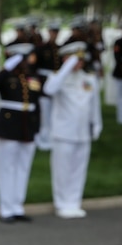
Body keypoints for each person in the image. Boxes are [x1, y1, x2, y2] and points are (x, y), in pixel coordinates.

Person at [0, 42, 46, 223]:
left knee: (23, 167)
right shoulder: (5, 76)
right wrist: (5, 68)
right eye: (25, 59)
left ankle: (18, 205)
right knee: (7, 167)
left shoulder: (34, 76)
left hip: (28, 125)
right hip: (9, 125)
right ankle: (6, 208)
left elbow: (41, 97)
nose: (28, 62)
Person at [44, 41, 103, 218]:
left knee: (79, 169)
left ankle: (74, 201)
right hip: (64, 132)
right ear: (66, 59)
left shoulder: (89, 79)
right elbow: (49, 90)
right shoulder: (58, 78)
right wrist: (65, 69)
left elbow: (94, 105)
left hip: (82, 132)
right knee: (62, 170)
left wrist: (97, 123)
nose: (79, 63)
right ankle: (62, 203)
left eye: (80, 59)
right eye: (74, 60)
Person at [33, 19, 63, 151]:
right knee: (44, 113)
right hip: (44, 83)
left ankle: (53, 137)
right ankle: (44, 139)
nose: (54, 34)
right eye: (52, 32)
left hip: (56, 83)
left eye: (56, 32)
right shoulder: (40, 48)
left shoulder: (60, 49)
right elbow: (34, 67)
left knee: (55, 112)